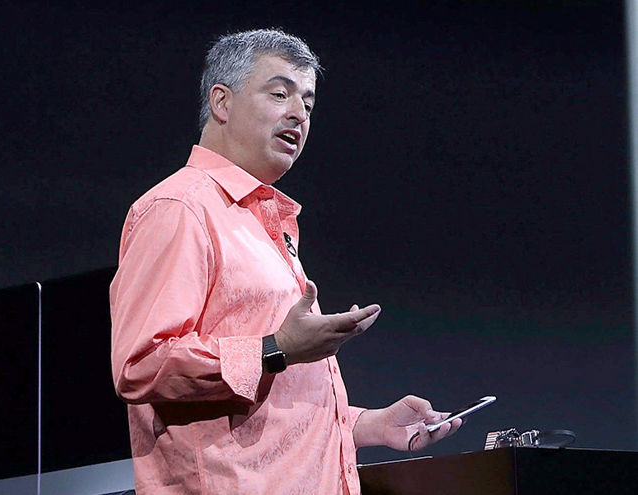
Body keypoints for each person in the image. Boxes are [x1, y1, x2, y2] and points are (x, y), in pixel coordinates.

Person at [110, 28, 461, 495]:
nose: (299, 114)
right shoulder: (179, 208)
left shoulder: (263, 221)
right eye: (280, 94)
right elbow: (142, 365)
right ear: (222, 102)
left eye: (308, 104)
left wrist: (369, 425)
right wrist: (276, 348)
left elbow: (271, 407)